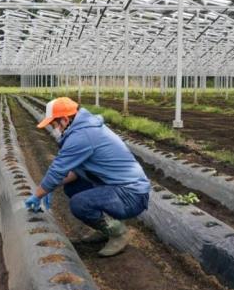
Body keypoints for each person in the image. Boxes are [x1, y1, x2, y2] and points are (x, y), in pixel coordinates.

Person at [25, 97, 151, 257]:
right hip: (118, 187)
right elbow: (75, 171)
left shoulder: (82, 136)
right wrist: (50, 187)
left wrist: (37, 195)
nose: (53, 128)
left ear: (64, 120)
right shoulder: (85, 128)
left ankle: (118, 233)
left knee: (80, 203)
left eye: (53, 124)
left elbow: (57, 170)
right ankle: (108, 228)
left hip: (131, 195)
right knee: (73, 187)